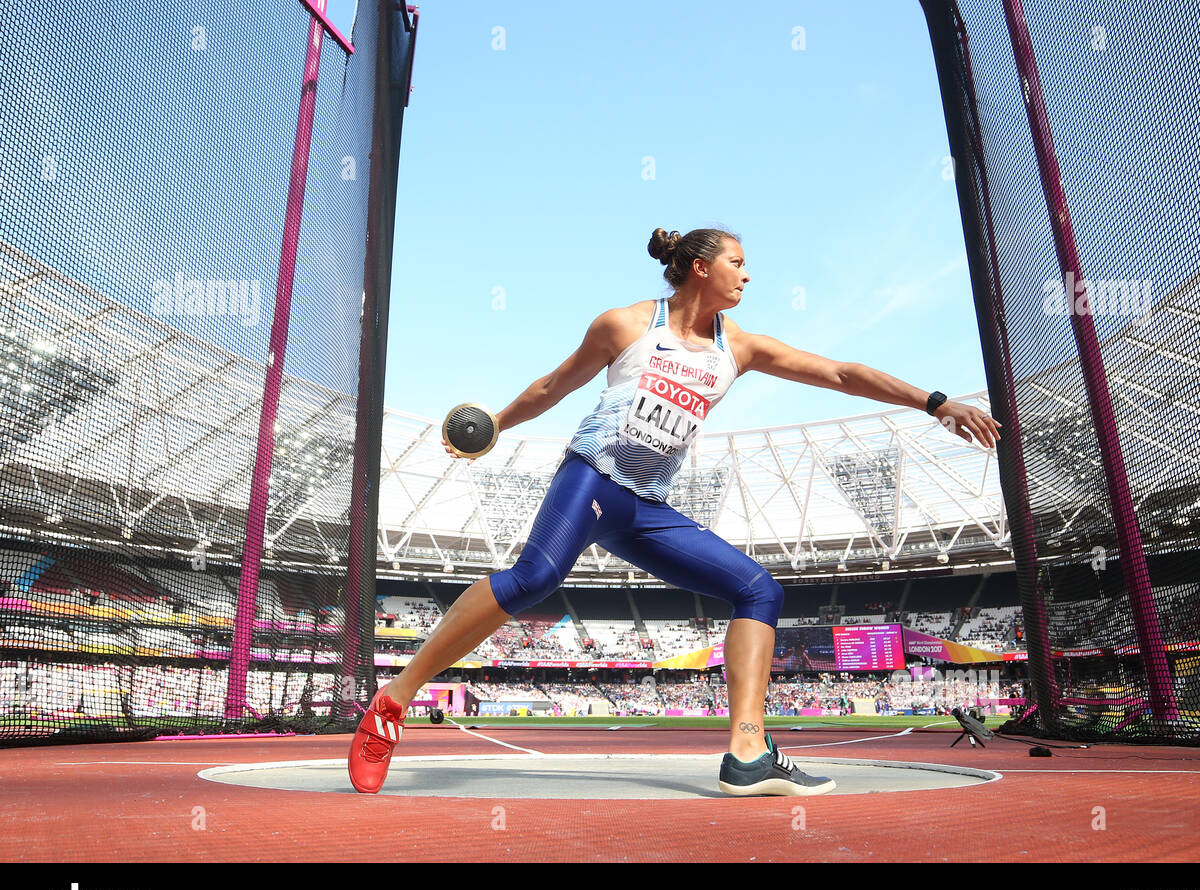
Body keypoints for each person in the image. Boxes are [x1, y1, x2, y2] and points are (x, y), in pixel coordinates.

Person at [348, 226, 1001, 795]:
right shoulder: (627, 325)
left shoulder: (736, 349)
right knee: (535, 579)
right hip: (592, 481)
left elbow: (837, 373)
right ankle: (392, 701)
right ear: (700, 267)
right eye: (737, 261)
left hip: (646, 509)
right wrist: (495, 421)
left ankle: (747, 752)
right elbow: (552, 386)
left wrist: (933, 399)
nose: (748, 274)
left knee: (758, 588)